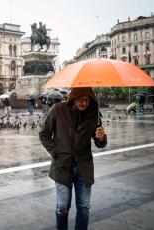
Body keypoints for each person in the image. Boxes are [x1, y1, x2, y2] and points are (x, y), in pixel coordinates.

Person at [39, 87, 107, 230]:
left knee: (84, 207)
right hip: (62, 166)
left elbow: (100, 143)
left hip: (84, 167)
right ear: (73, 98)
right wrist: (56, 152)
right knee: (62, 207)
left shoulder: (94, 114)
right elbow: (44, 134)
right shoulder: (58, 110)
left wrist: (101, 137)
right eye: (81, 99)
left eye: (87, 100)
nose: (84, 103)